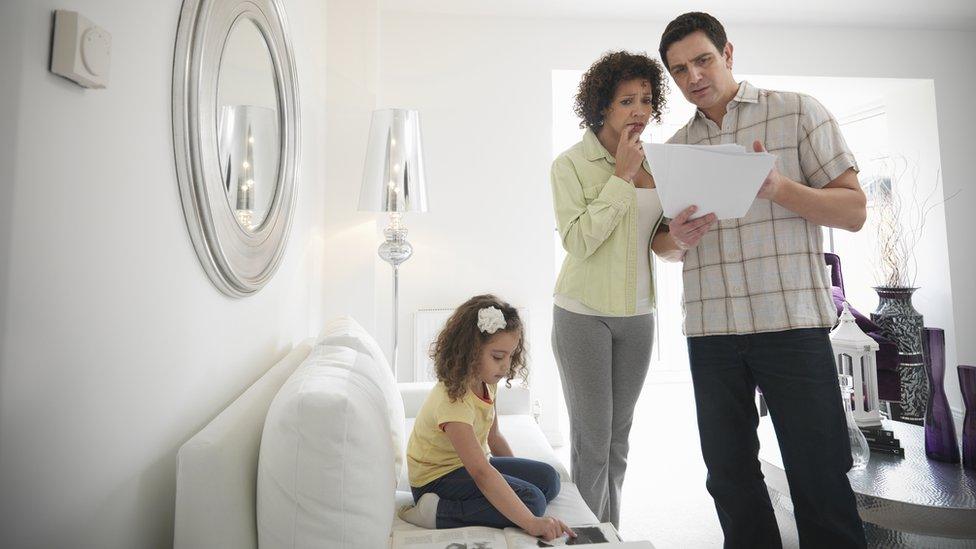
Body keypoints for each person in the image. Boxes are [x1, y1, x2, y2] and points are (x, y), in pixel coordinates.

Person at [652, 12, 867, 548]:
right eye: (679, 70)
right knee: (729, 481)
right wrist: (676, 235)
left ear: (727, 54)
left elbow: (854, 211)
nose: (693, 76)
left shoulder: (798, 112)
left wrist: (778, 188)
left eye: (702, 60)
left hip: (792, 325)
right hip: (711, 333)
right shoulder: (676, 148)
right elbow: (660, 243)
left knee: (818, 477)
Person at [549, 50, 668, 529]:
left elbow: (658, 240)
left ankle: (608, 533)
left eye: (646, 99)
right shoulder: (571, 165)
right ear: (602, 106)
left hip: (638, 317)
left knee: (619, 441)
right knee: (592, 442)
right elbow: (579, 240)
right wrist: (620, 177)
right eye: (626, 100)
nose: (639, 110)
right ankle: (587, 535)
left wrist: (680, 238)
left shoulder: (659, 162)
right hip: (583, 314)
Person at [400, 295, 576, 542]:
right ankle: (437, 512)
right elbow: (481, 472)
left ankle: (512, 499)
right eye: (497, 357)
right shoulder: (454, 401)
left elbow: (494, 437)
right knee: (533, 502)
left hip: (468, 467)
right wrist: (529, 520)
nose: (505, 367)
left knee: (549, 478)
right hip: (437, 479)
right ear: (470, 352)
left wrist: (516, 482)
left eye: (510, 356)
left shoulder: (487, 382)